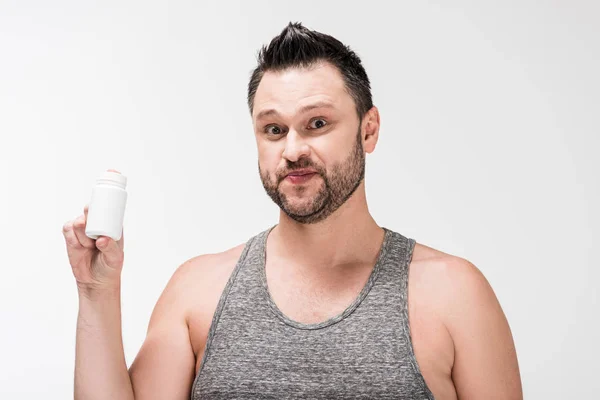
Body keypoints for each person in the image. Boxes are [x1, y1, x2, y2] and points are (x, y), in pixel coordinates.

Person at [63, 22, 523, 400]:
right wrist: (96, 292)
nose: (293, 149)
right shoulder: (198, 291)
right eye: (274, 129)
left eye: (317, 123)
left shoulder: (455, 294)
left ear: (369, 130)